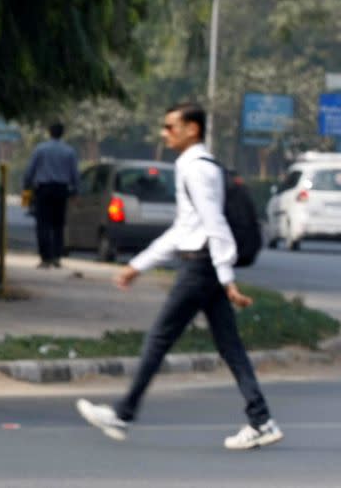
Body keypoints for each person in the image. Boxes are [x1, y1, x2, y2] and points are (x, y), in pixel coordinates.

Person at [76, 102, 283, 450]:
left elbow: (214, 225)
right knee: (229, 346)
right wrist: (138, 265)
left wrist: (226, 277)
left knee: (159, 339)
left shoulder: (197, 170)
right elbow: (185, 227)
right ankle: (261, 419)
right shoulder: (193, 166)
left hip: (200, 267)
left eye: (171, 127)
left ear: (193, 130)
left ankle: (123, 414)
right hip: (203, 264)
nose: (164, 133)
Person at [23, 122, 79, 268]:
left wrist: (26, 186)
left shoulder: (41, 149)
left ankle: (45, 258)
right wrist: (75, 191)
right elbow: (75, 174)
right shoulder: (69, 151)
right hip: (61, 190)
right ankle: (56, 256)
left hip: (43, 189)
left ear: (49, 132)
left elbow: (30, 170)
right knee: (58, 224)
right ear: (62, 133)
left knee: (43, 224)